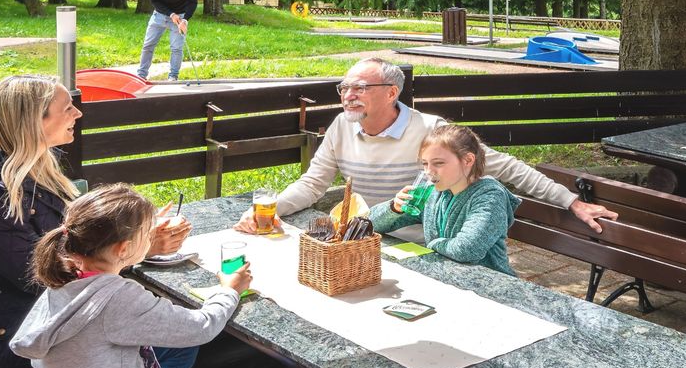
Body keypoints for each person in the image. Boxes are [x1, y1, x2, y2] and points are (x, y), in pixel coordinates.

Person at [0, 74, 192, 368]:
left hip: (39, 327)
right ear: (33, 121)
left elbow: (75, 243)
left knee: (171, 333)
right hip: (1, 351)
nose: (78, 114)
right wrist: (140, 248)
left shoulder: (37, 171)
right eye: (67, 108)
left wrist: (137, 235)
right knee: (178, 343)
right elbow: (46, 277)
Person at [234, 58, 617, 235]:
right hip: (365, 235)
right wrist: (267, 210)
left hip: (420, 241)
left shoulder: (431, 131)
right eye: (344, 88)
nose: (348, 96)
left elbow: (505, 167)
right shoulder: (341, 127)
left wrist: (571, 201)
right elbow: (312, 185)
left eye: (359, 88)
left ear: (391, 93)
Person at [11, 184, 243, 368]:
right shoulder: (120, 299)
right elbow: (200, 327)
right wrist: (229, 290)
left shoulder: (63, 280)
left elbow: (99, 363)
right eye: (147, 233)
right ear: (123, 249)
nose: (152, 236)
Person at [370, 125, 521, 275]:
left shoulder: (489, 196)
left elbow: (467, 249)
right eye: (425, 164)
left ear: (468, 160)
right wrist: (393, 208)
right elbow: (370, 223)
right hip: (445, 276)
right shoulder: (433, 194)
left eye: (438, 163)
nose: (429, 172)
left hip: (490, 285)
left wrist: (432, 245)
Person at [137, 0, 197, 81]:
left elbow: (192, 2)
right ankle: (141, 75)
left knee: (176, 48)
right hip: (159, 16)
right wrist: (171, 14)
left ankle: (173, 76)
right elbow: (155, 1)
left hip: (179, 18)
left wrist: (185, 19)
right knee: (148, 45)